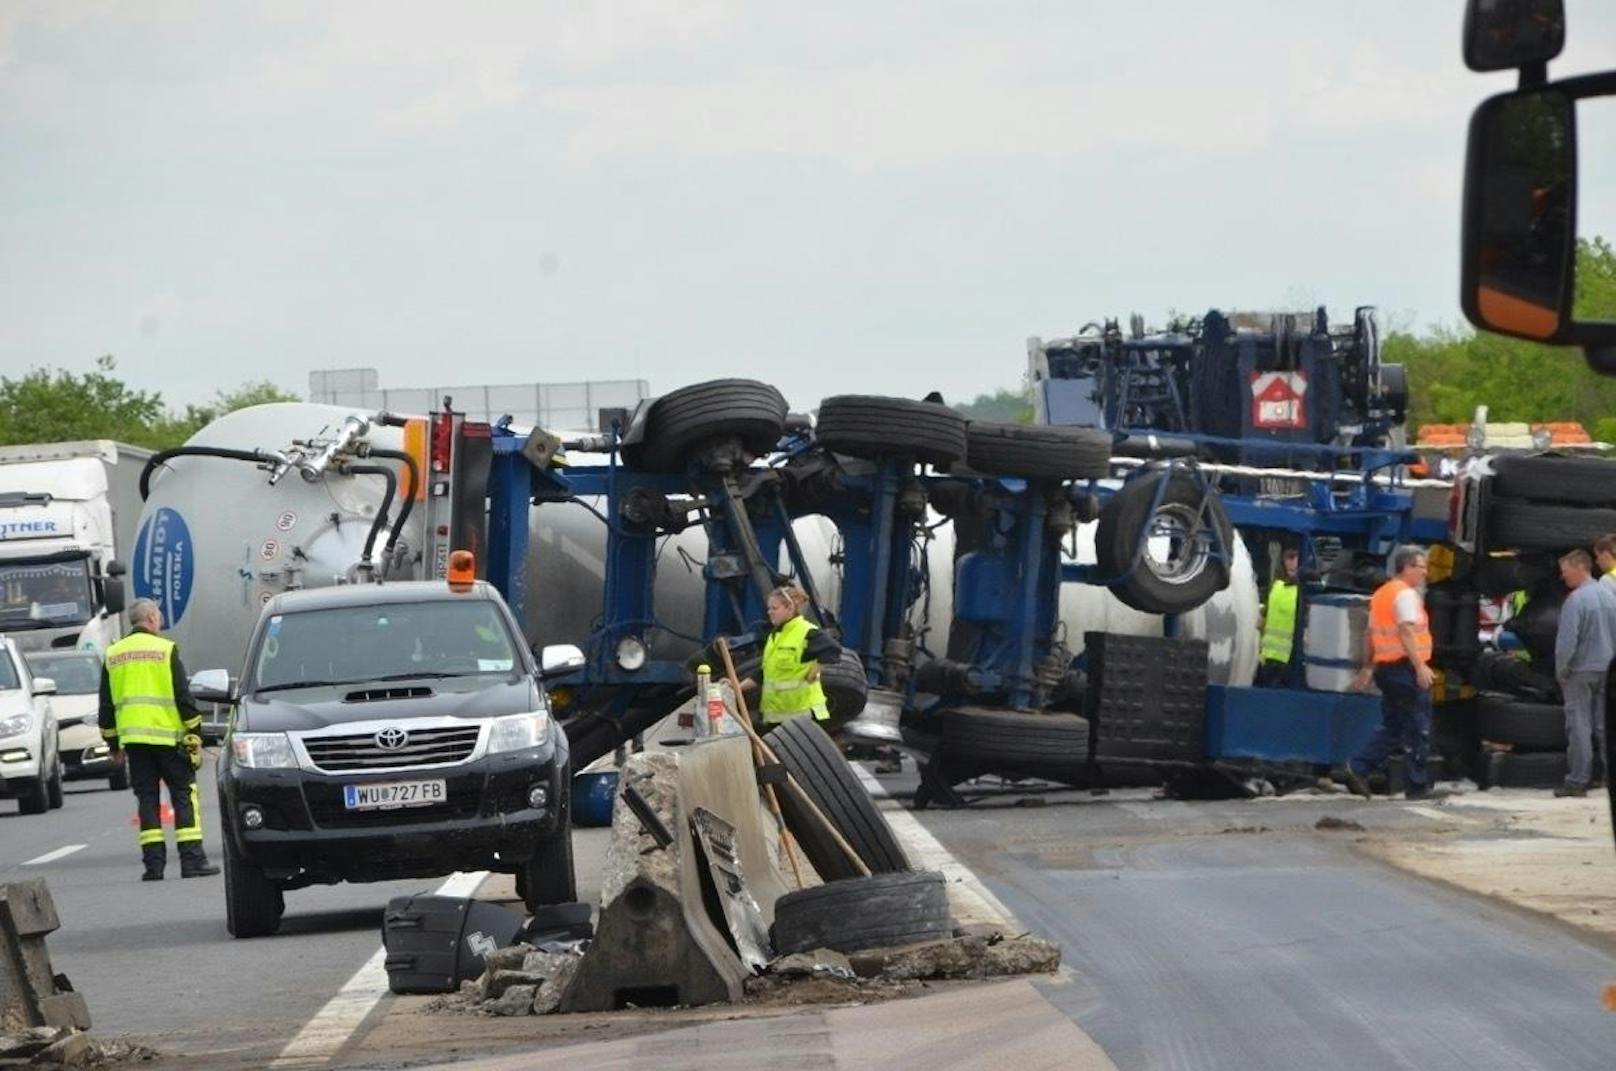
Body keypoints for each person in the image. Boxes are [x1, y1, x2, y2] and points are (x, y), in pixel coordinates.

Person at [99, 598, 220, 881]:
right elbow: (183, 697)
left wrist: (113, 745)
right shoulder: (165, 650)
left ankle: (153, 866)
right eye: (160, 616)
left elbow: (106, 706)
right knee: (183, 794)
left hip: (135, 743)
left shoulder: (114, 654)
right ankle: (192, 861)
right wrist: (195, 735)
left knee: (147, 800)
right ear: (152, 618)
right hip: (169, 740)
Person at [1340, 546, 1435, 801]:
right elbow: (1406, 631)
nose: (1425, 572)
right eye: (1421, 566)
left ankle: (1357, 768)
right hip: (1406, 669)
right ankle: (1417, 786)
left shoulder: (1382, 594)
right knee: (1418, 727)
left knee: (1393, 726)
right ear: (1406, 567)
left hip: (1387, 670)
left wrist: (1369, 667)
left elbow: (1369, 634)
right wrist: (1419, 666)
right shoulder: (1405, 595)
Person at [1551, 548, 1616, 798]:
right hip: (1607, 668)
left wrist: (1561, 671)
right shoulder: (1611, 596)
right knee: (1604, 725)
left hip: (1581, 670)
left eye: (1565, 571)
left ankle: (1578, 781)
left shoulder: (1576, 600)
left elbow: (1567, 642)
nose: (1563, 576)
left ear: (1580, 567)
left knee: (1578, 724)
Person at [743, 585, 841, 730]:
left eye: (774, 608)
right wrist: (737, 687)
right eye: (769, 608)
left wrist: (816, 670)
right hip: (776, 717)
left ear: (789, 608)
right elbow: (766, 673)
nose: (770, 612)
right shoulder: (775, 636)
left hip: (803, 717)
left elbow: (833, 649)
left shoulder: (807, 632)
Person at [1256, 548, 1301, 688]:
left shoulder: (1303, 592)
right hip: (1270, 661)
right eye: (1289, 558)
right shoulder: (1277, 587)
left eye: (1295, 558)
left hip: (1291, 662)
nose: (1292, 562)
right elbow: (1261, 622)